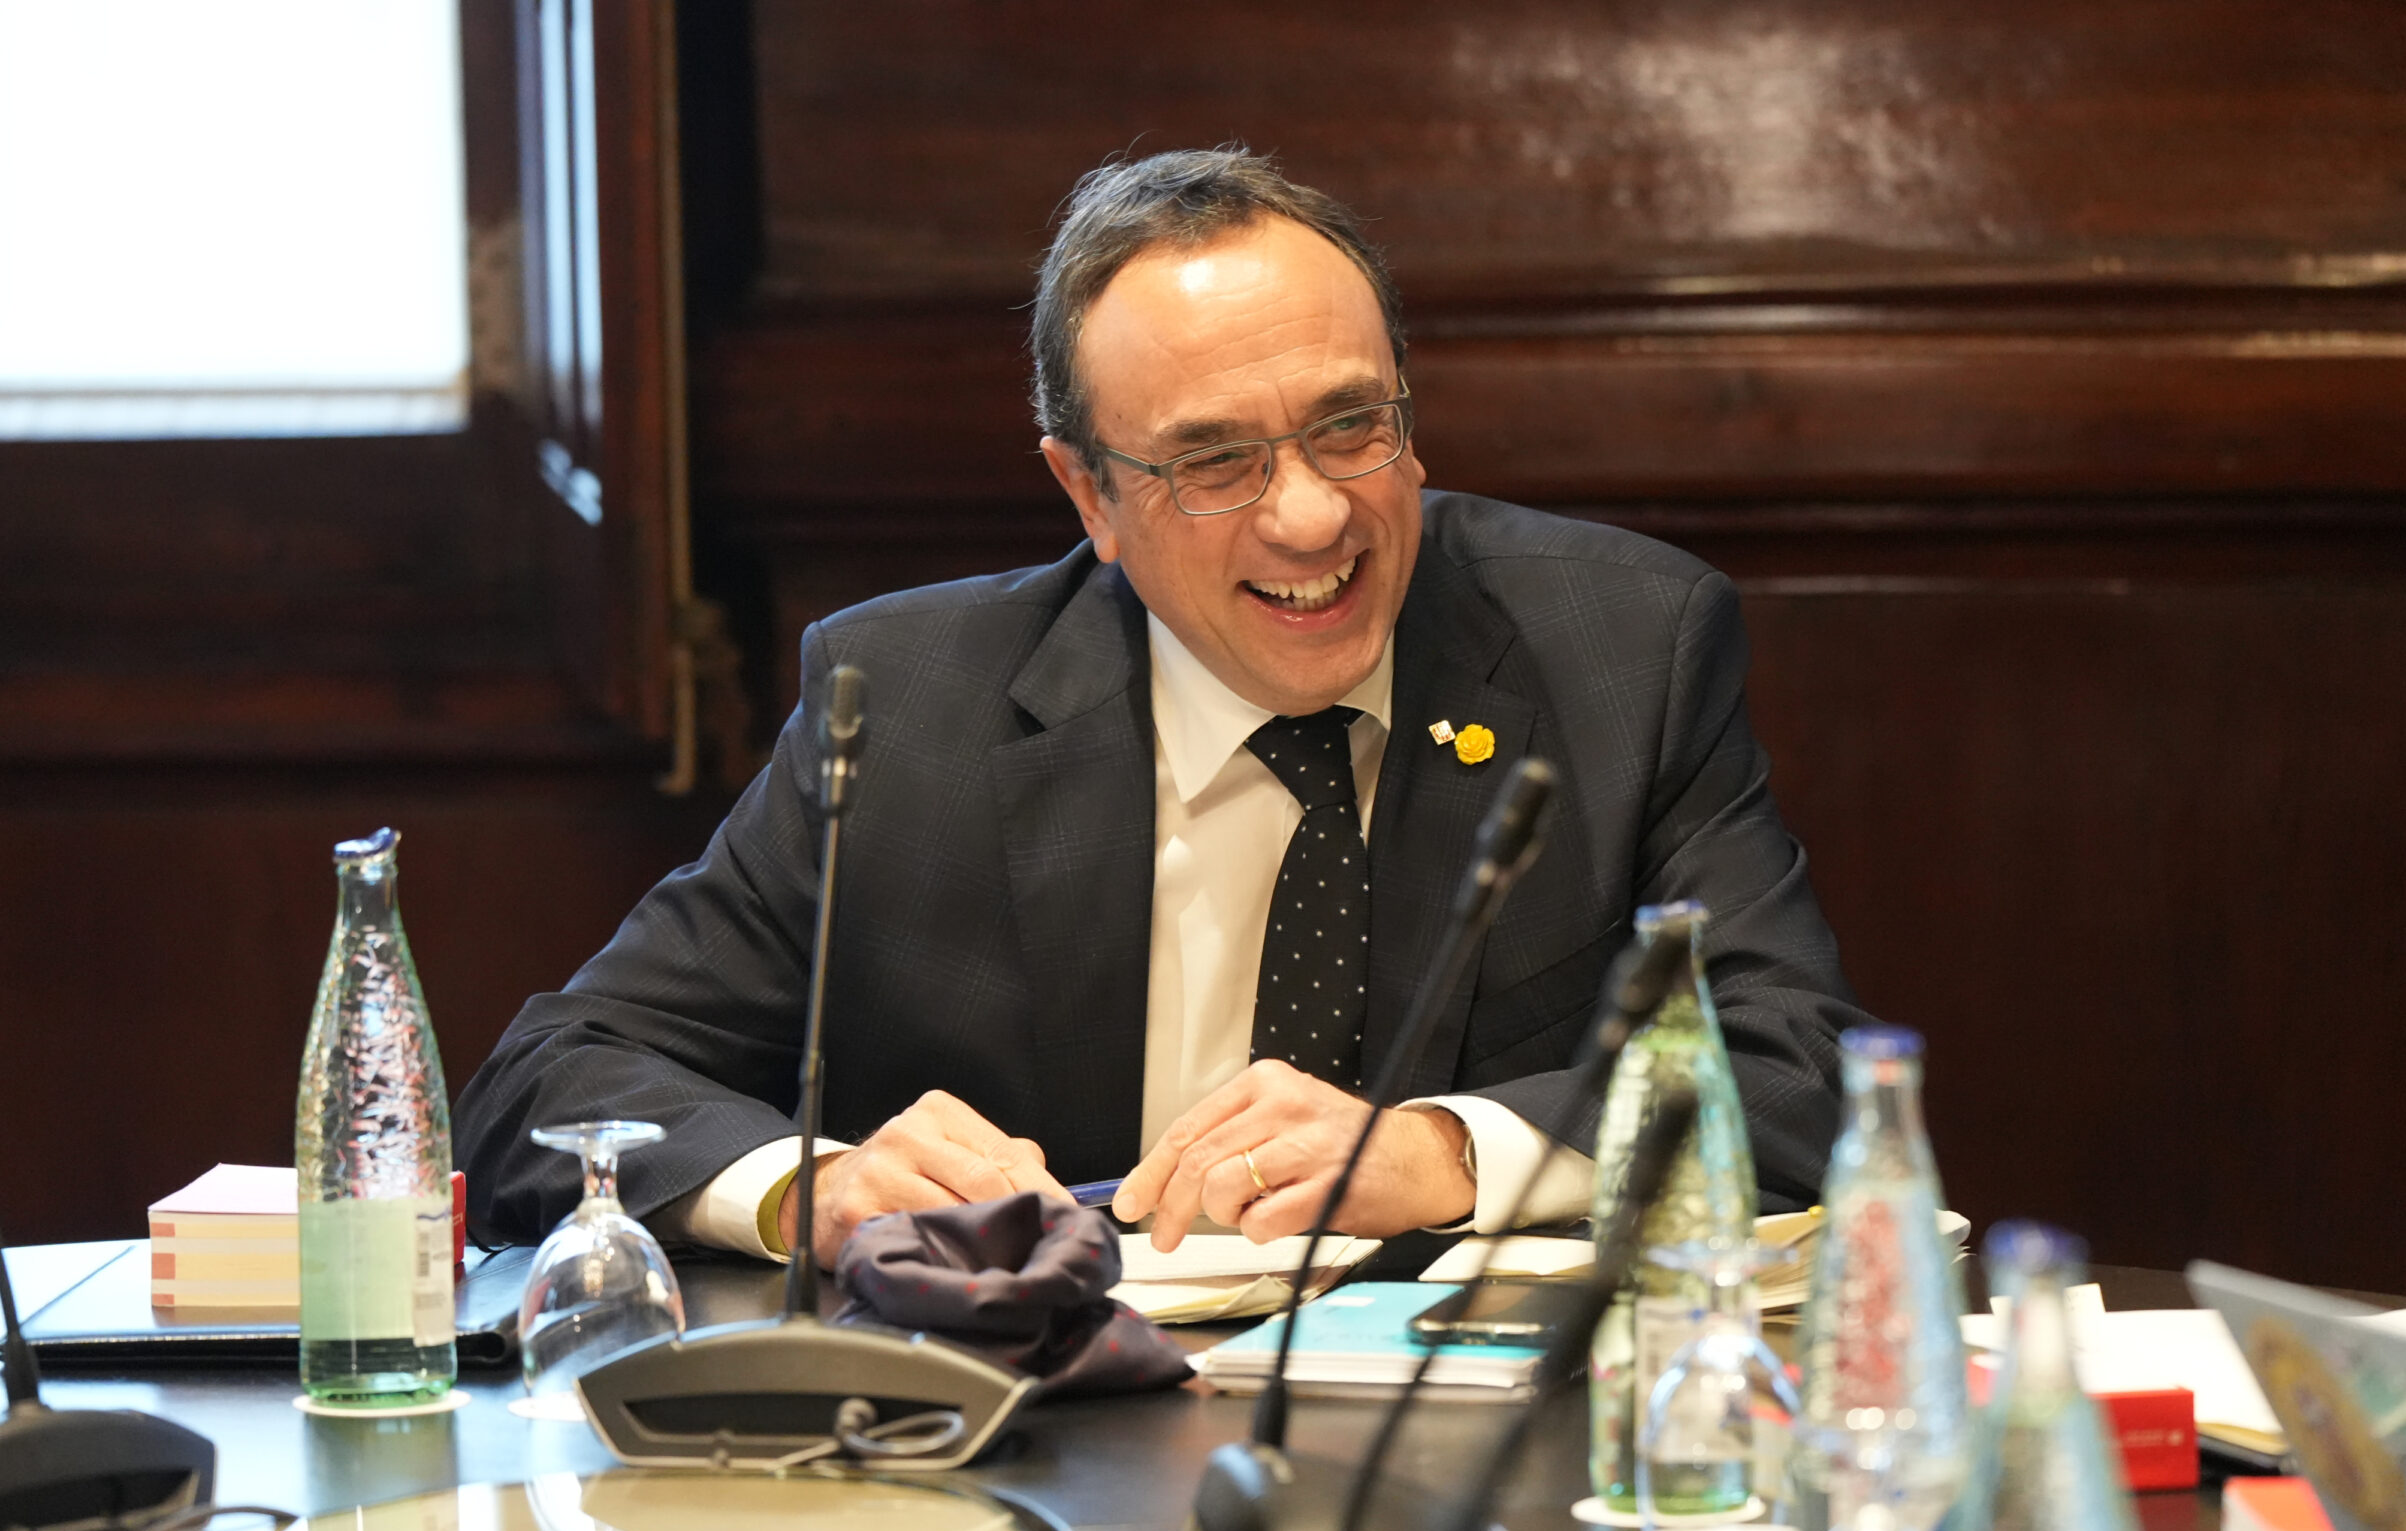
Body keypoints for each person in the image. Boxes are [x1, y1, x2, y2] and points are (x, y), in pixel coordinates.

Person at [454, 148, 1868, 1267]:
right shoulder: (911, 712)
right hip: (1044, 1445)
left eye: (1350, 426)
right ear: (1090, 495)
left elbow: (1796, 1070)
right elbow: (550, 1082)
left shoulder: (1619, 651)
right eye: (1214, 463)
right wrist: (807, 1190)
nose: (1310, 517)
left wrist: (1448, 1151)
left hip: (1483, 1446)